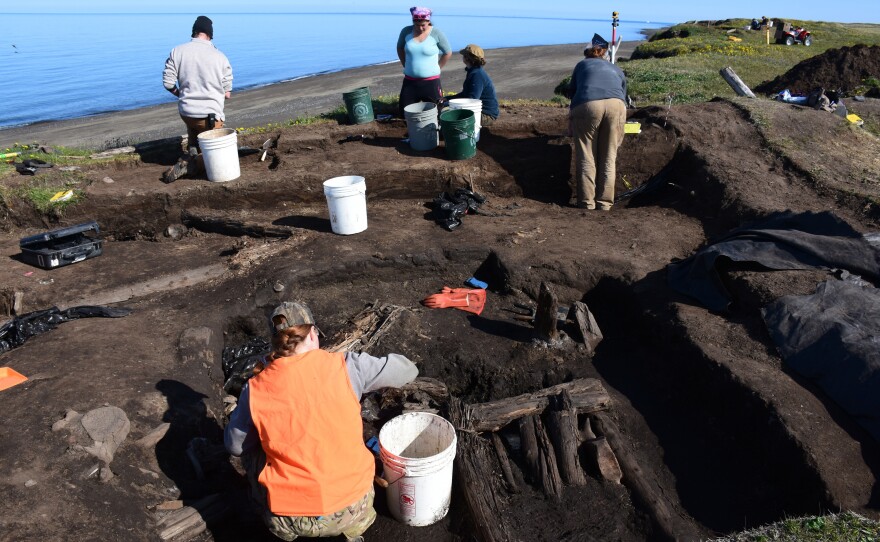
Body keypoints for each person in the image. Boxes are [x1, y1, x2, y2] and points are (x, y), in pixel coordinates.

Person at [224, 301, 419, 542]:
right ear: (314, 333)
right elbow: (408, 371)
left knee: (253, 449)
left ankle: (274, 516)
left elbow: (234, 446)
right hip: (354, 508)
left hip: (291, 519)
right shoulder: (347, 366)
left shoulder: (255, 388)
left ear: (276, 344)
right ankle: (350, 533)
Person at [161, 15, 233, 183]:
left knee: (194, 132)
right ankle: (190, 165)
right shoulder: (219, 56)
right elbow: (227, 94)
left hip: (187, 112)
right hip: (210, 116)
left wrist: (182, 94)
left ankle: (192, 152)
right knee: (216, 155)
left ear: (194, 32)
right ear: (210, 34)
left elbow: (168, 83)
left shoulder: (177, 51)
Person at [568, 34, 627, 211]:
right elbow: (623, 93)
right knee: (609, 156)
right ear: (604, 54)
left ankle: (587, 203)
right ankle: (605, 204)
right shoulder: (615, 68)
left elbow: (573, 92)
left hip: (588, 105)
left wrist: (571, 120)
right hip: (616, 106)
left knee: (587, 155)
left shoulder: (581, 65)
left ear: (587, 54)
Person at [396, 6, 452, 117]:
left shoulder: (437, 33)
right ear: (413, 22)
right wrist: (405, 64)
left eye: (423, 25)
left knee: (436, 114)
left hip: (431, 83)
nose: (420, 28)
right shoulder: (406, 31)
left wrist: (437, 67)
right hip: (410, 82)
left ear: (429, 21)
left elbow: (447, 52)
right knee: (404, 114)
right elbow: (399, 48)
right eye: (417, 25)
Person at [445, 44, 500, 126]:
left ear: (467, 58)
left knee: (447, 114)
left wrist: (447, 104)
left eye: (464, 55)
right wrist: (447, 98)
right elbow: (465, 94)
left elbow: (472, 100)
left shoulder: (477, 75)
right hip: (484, 112)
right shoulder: (474, 72)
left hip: (486, 115)